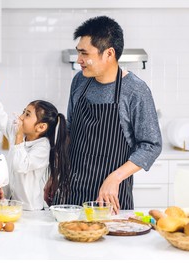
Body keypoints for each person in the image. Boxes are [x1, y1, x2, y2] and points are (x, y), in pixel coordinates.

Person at [61, 16, 162, 214]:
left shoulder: (135, 91)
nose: (79, 60)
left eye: (84, 53)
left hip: (108, 200)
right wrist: (55, 175)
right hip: (69, 195)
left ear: (109, 53)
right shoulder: (79, 82)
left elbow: (151, 146)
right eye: (78, 52)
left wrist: (114, 178)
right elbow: (70, 131)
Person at [0, 67, 70, 210]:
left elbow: (20, 165)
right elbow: (0, 117)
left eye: (27, 114)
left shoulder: (42, 147)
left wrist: (18, 136)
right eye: (24, 112)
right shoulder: (19, 134)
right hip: (12, 206)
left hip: (32, 210)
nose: (21, 117)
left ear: (41, 127)